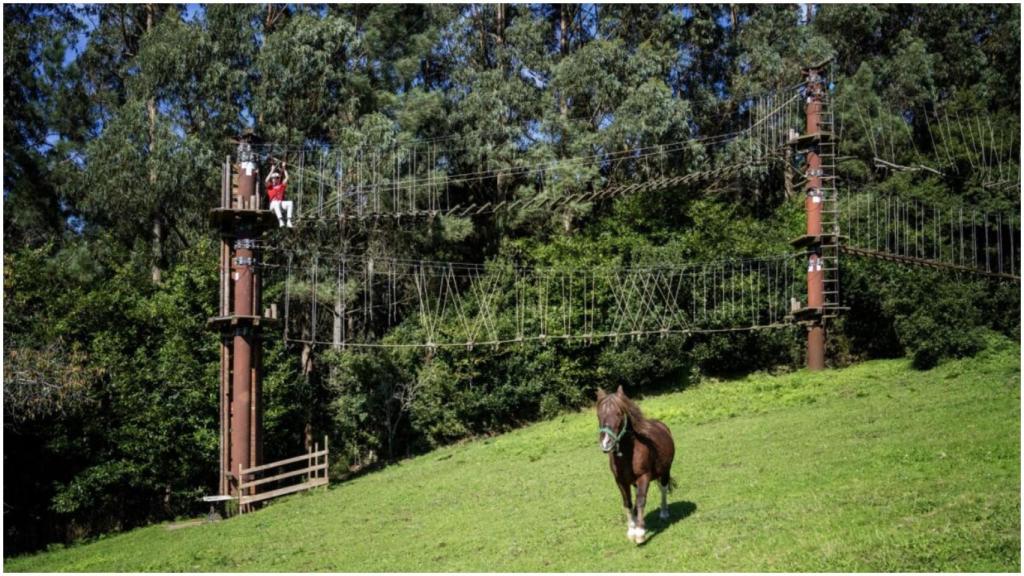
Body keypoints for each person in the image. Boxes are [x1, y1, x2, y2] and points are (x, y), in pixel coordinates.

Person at [265, 163, 293, 228]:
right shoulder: (270, 186)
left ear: (278, 179)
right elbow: (266, 180)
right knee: (275, 202)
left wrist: (284, 168)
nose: (275, 179)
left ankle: (289, 221)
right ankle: (280, 220)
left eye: (276, 178)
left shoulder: (281, 186)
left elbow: (287, 178)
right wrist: (272, 170)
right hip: (273, 206)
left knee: (290, 203)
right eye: (273, 178)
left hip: (280, 205)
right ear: (272, 179)